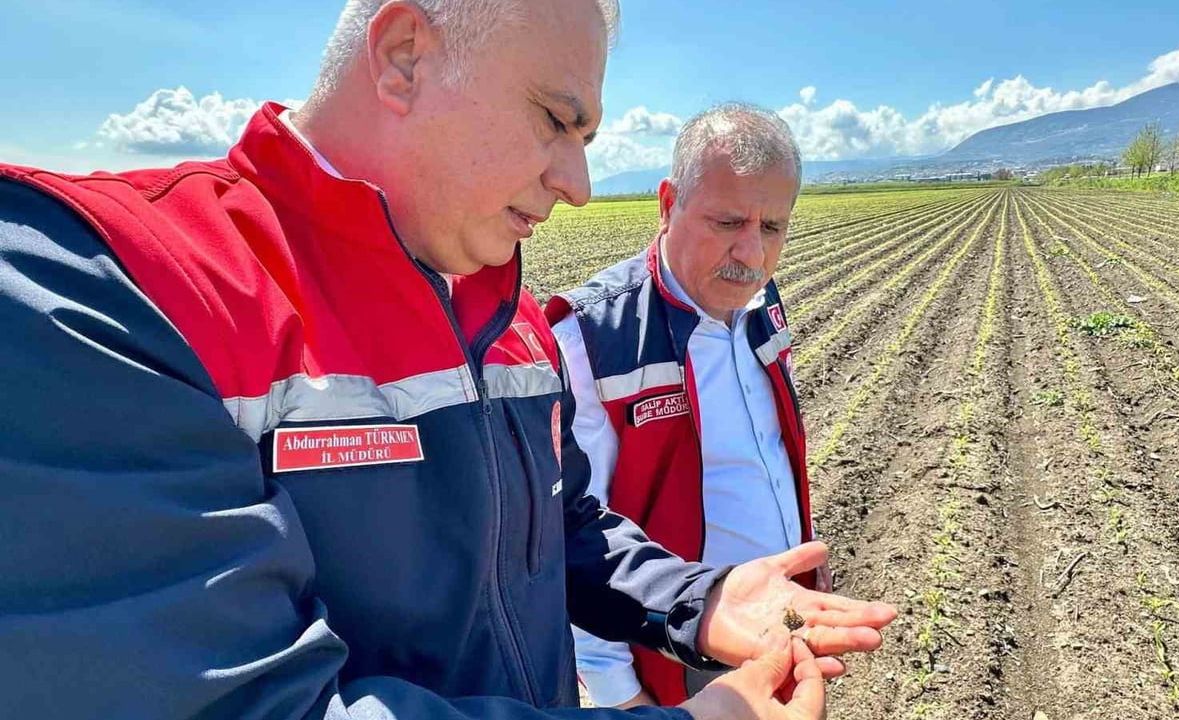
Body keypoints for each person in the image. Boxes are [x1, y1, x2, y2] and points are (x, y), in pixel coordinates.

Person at [0, 2, 895, 718]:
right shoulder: (109, 288)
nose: (578, 185)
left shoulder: (502, 314)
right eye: (557, 120)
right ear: (402, 56)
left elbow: (563, 526)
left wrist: (695, 601)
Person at [548, 104, 834, 709]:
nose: (752, 255)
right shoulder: (594, 338)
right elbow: (574, 534)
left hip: (779, 617)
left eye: (773, 227)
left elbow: (768, 450)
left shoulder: (760, 305)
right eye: (728, 221)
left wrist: (803, 561)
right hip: (680, 657)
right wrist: (620, 698)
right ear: (667, 203)